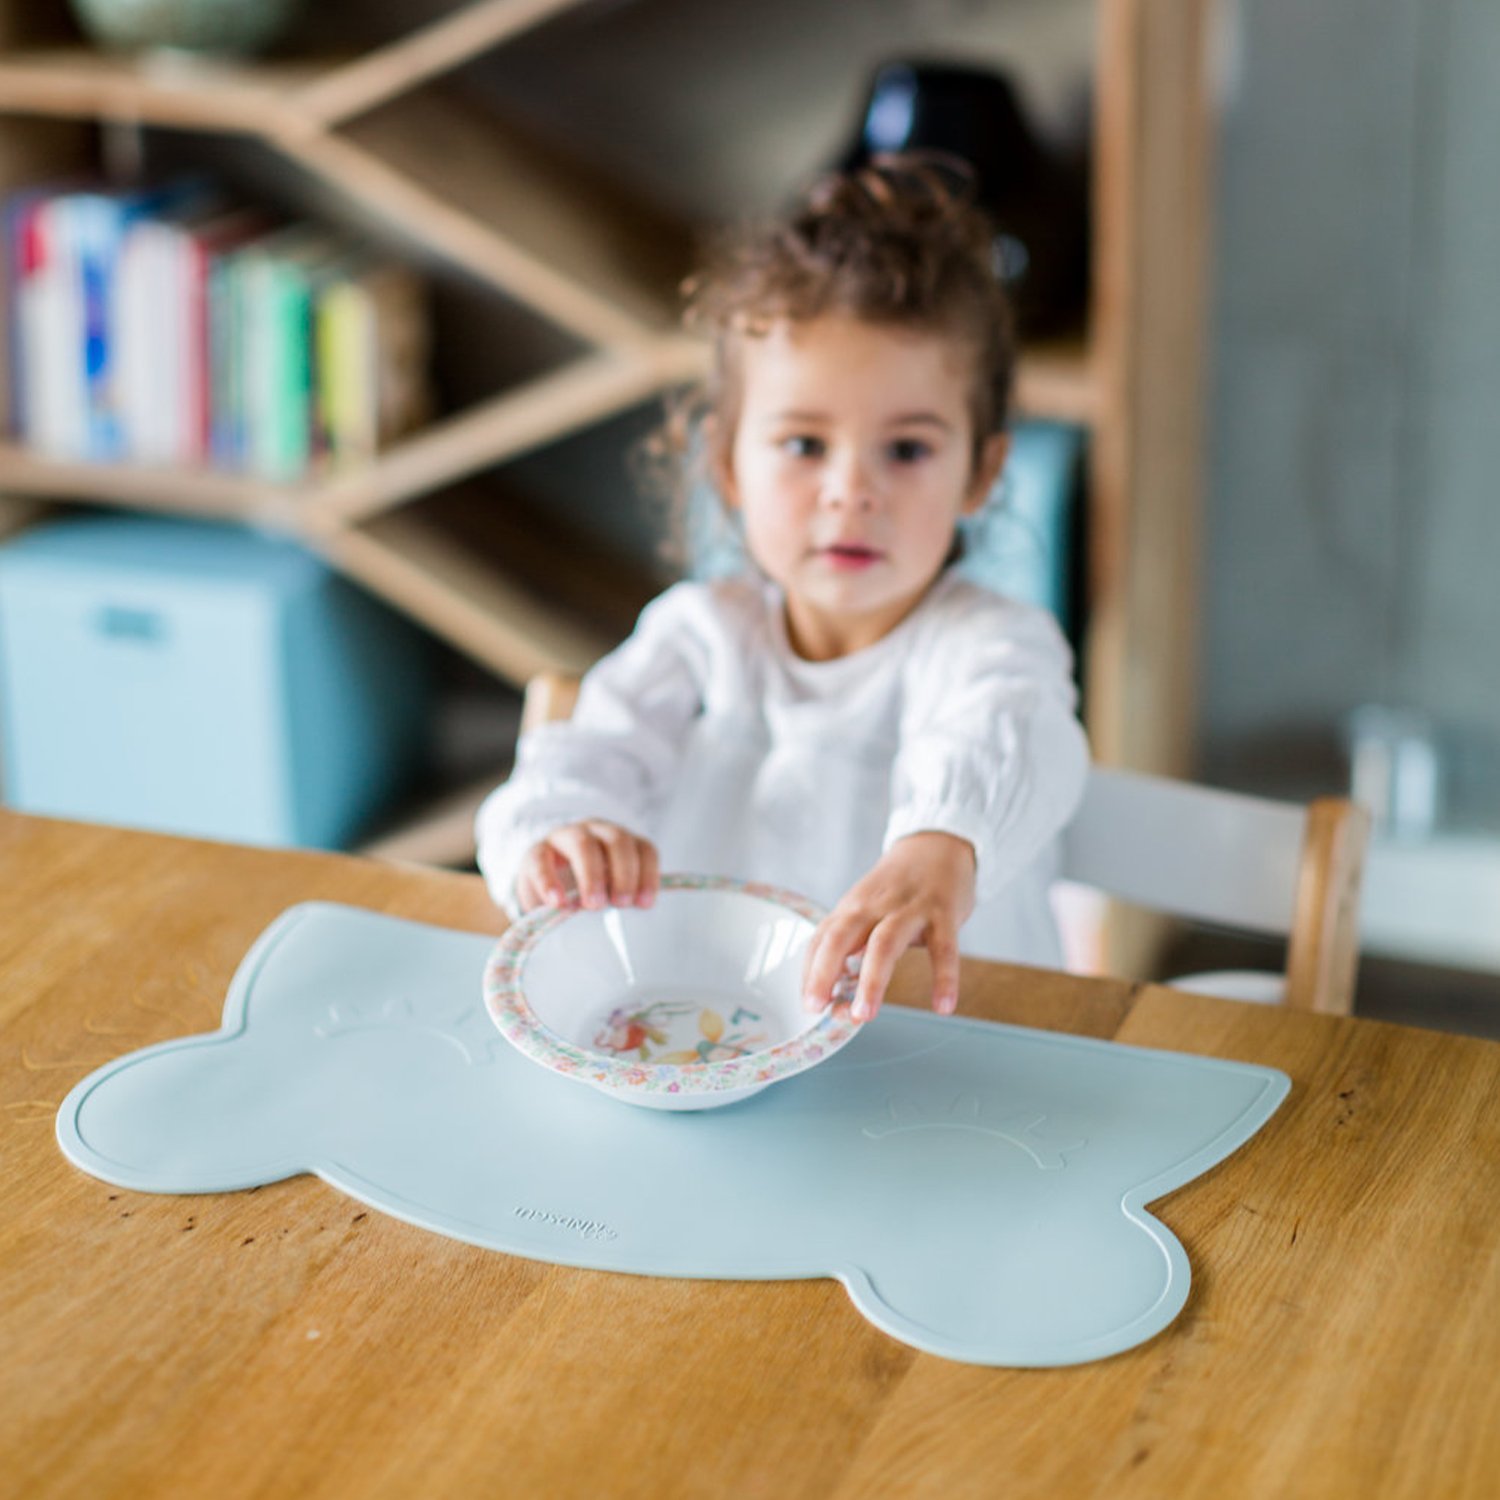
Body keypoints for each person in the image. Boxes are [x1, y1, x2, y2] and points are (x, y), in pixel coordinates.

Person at [476, 156, 1089, 1025]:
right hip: (716, 1044)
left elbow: (1015, 730)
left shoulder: (992, 641)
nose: (850, 490)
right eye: (804, 445)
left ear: (982, 472)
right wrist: (560, 835)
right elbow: (570, 769)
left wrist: (941, 843)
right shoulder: (699, 635)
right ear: (727, 464)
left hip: (947, 1059)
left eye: (907, 450)